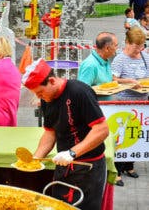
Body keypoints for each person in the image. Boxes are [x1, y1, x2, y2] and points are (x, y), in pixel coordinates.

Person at [22, 58, 109, 210]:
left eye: (40, 93)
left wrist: (72, 153)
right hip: (63, 165)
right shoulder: (46, 99)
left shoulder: (79, 91)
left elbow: (102, 130)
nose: (40, 97)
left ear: (52, 80)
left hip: (88, 166)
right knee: (59, 206)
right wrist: (36, 158)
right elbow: (50, 134)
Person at [111, 26, 148, 185]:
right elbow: (114, 79)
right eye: (135, 47)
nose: (138, 50)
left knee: (136, 135)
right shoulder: (120, 58)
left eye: (141, 47)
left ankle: (129, 166)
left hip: (141, 103)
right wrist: (130, 82)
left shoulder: (145, 56)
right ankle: (117, 170)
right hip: (124, 103)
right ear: (127, 43)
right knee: (122, 138)